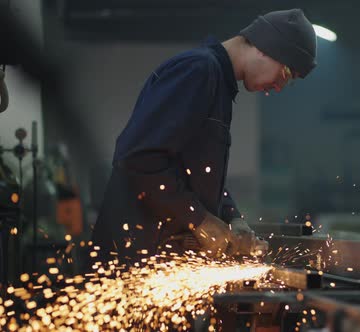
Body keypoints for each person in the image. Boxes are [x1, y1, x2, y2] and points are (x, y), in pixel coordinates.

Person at [90, 9, 317, 265]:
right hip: (132, 260)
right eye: (286, 74)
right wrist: (199, 219)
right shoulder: (198, 71)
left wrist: (233, 218)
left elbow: (192, 170)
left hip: (158, 261)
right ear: (266, 47)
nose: (279, 86)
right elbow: (138, 156)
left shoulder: (219, 84)